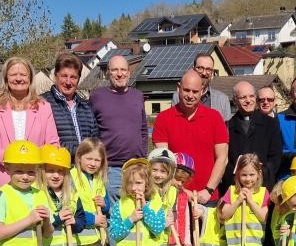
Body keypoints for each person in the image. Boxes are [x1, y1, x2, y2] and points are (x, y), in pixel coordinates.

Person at [0, 56, 59, 192]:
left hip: (36, 183)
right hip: (3, 181)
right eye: (13, 74)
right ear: (6, 78)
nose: (18, 78)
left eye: (23, 74)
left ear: (30, 78)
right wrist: (10, 156)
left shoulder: (44, 107)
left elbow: (53, 145)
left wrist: (31, 157)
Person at [152, 70, 229, 205]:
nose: (190, 96)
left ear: (202, 91)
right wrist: (181, 190)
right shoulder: (163, 119)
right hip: (174, 196)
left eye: (195, 91)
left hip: (208, 197)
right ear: (178, 88)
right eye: (186, 90)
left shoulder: (214, 118)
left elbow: (222, 158)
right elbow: (163, 161)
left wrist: (208, 190)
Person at [90, 54, 147, 201]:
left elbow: (143, 129)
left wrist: (143, 156)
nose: (120, 74)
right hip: (111, 167)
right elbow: (91, 130)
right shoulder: (97, 96)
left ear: (129, 72)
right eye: (115, 70)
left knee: (137, 208)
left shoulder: (137, 95)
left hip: (136, 165)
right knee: (115, 211)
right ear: (107, 73)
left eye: (123, 70)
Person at [219, 153, 269, 246]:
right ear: (238, 175)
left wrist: (251, 201)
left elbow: (263, 217)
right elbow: (224, 215)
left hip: (253, 240)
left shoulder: (263, 192)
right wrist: (238, 200)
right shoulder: (232, 191)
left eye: (252, 175)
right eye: (244, 175)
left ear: (258, 174)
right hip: (236, 240)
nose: (248, 179)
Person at [227, 80, 282, 193]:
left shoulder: (270, 124)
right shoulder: (227, 127)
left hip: (263, 186)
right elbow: (226, 161)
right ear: (235, 100)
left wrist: (260, 174)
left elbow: (275, 157)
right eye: (243, 97)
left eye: (251, 96)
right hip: (236, 188)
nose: (248, 100)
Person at [43, 53, 99, 156]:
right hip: (58, 163)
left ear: (78, 79)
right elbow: (45, 140)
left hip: (85, 164)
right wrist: (80, 153)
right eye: (64, 76)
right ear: (55, 75)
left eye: (73, 77)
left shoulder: (86, 106)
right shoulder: (44, 103)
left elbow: (95, 140)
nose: (68, 82)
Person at [170, 52, 232, 121]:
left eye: (208, 69)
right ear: (193, 69)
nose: (204, 73)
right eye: (200, 68)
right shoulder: (178, 97)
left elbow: (226, 127)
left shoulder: (222, 100)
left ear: (212, 72)